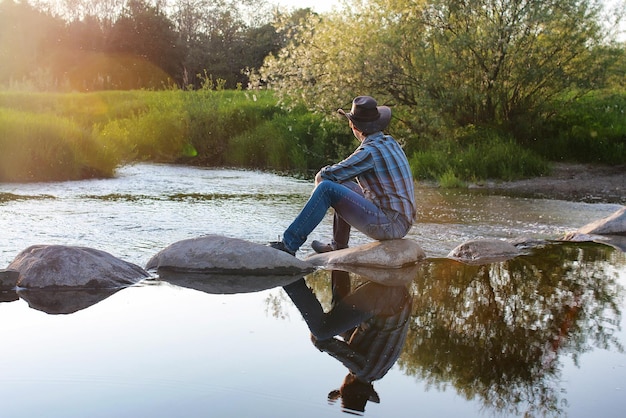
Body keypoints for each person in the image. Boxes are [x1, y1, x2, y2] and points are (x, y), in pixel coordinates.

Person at [268, 96, 416, 256]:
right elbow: (339, 175)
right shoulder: (390, 141)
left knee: (326, 188)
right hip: (401, 220)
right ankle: (338, 245)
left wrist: (320, 181)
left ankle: (289, 245)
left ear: (353, 126)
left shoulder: (368, 153)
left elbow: (326, 176)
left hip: (390, 225)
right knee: (338, 185)